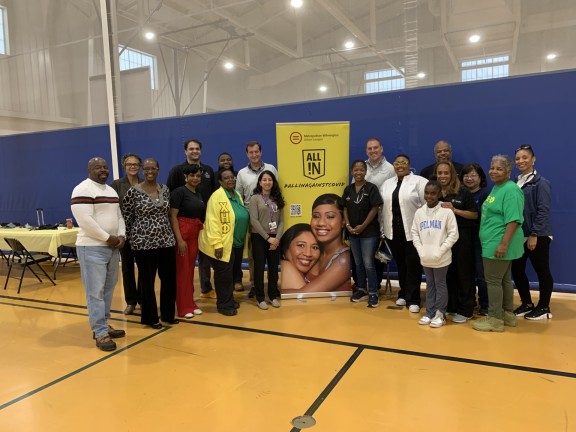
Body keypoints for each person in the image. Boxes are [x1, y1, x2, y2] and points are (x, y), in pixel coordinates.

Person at [71, 157, 126, 352]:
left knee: (108, 289)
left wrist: (121, 235)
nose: (102, 170)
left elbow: (118, 215)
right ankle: (100, 332)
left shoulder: (110, 190)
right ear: (89, 170)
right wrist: (107, 238)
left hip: (111, 248)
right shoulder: (83, 189)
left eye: (105, 167)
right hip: (91, 248)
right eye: (97, 167)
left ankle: (104, 323)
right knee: (95, 292)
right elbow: (85, 221)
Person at [123, 158, 178, 329]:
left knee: (169, 280)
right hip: (143, 243)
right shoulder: (133, 192)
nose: (149, 171)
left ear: (158, 170)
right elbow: (127, 217)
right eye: (146, 168)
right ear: (142, 170)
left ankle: (168, 315)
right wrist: (132, 238)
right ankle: (150, 317)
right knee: (147, 281)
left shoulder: (165, 189)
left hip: (166, 241)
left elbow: (168, 214)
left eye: (153, 168)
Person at [473, 155, 524, 332]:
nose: (494, 171)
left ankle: (494, 318)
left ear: (509, 172)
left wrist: (503, 244)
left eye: (499, 169)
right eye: (492, 167)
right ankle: (507, 314)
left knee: (493, 281)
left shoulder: (510, 190)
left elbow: (514, 220)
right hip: (493, 241)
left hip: (498, 243)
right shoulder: (497, 187)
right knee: (503, 279)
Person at [166, 139, 217, 299]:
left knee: (204, 256)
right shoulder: (176, 171)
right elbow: (169, 194)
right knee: (184, 261)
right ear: (185, 151)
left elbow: (215, 194)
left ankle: (206, 288)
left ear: (201, 151)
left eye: (197, 148)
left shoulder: (208, 170)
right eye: (191, 149)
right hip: (183, 224)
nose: (194, 151)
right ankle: (184, 294)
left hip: (204, 222)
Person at [379, 154, 428, 312]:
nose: (400, 166)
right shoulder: (387, 184)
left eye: (404, 163)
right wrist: (382, 230)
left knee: (413, 264)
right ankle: (403, 294)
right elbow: (382, 209)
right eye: (397, 163)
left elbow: (428, 205)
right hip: (392, 232)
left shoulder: (419, 182)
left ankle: (414, 299)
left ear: (409, 165)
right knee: (401, 264)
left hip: (413, 232)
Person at [199, 168, 250, 316]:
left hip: (234, 243)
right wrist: (217, 244)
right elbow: (212, 222)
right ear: (220, 181)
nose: (230, 180)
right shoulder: (217, 197)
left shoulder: (236, 194)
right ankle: (223, 305)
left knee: (229, 275)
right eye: (226, 178)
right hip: (220, 244)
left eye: (232, 177)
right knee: (223, 276)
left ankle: (228, 299)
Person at [511, 144, 554, 320]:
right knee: (517, 270)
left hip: (538, 236)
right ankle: (527, 303)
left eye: (525, 157)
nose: (521, 161)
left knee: (542, 270)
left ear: (533, 159)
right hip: (519, 236)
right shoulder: (515, 182)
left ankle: (544, 307)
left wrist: (534, 234)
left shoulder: (541, 183)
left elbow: (543, 210)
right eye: (518, 159)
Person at [411, 181, 459, 328]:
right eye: (427, 193)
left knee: (440, 284)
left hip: (441, 258)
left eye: (433, 193)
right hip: (425, 257)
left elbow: (453, 234)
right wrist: (421, 251)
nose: (429, 196)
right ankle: (429, 312)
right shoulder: (419, 212)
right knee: (430, 285)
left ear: (439, 194)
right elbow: (415, 233)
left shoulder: (446, 212)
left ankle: (440, 313)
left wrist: (440, 251)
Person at [281, 194, 352, 294]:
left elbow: (306, 294)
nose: (321, 223)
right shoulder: (317, 251)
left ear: (343, 221)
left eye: (330, 217)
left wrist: (272, 293)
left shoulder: (344, 260)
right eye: (316, 216)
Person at [435, 161, 478, 323]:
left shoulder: (463, 192)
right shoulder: (435, 193)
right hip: (442, 239)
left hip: (462, 238)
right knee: (447, 273)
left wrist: (455, 210)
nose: (443, 176)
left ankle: (466, 309)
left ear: (452, 174)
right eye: (440, 173)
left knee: (464, 273)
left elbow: (474, 215)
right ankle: (451, 306)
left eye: (446, 173)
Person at [235, 141, 278, 294]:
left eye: (256, 151)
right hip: (250, 216)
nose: (254, 155)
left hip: (269, 214)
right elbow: (238, 196)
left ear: (260, 152)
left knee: (272, 250)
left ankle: (273, 285)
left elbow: (276, 190)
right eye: (251, 152)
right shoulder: (241, 173)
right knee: (254, 252)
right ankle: (255, 284)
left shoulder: (270, 168)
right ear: (247, 154)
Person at [343, 160, 383, 307]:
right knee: (358, 263)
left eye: (361, 170)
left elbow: (374, 209)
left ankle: (373, 293)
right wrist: (348, 225)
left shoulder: (371, 188)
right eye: (355, 170)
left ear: (366, 172)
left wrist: (362, 226)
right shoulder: (348, 189)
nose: (358, 172)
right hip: (353, 233)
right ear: (352, 172)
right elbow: (345, 208)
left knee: (368, 264)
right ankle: (361, 289)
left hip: (369, 233)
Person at [169, 165, 206, 319]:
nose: (195, 178)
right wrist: (179, 239)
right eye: (192, 176)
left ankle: (190, 303)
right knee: (182, 273)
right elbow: (172, 217)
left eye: (198, 176)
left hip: (194, 235)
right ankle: (183, 307)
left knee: (190, 271)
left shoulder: (198, 194)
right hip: (183, 236)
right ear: (186, 177)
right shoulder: (179, 193)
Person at [110, 153, 142, 315]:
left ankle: (144, 300)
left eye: (136, 164)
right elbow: (112, 209)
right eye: (129, 164)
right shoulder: (116, 185)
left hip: (144, 233)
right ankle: (131, 302)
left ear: (140, 166)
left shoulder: (145, 183)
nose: (133, 166)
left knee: (144, 268)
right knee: (127, 268)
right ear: (124, 166)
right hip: (125, 232)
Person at [249, 170, 285, 309]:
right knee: (259, 268)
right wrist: (267, 238)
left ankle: (272, 295)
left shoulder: (277, 198)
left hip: (275, 238)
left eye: (270, 180)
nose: (267, 182)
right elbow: (254, 220)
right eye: (264, 180)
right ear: (260, 182)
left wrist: (277, 239)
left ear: (273, 182)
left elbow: (282, 221)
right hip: (259, 237)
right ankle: (260, 298)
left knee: (273, 269)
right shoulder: (255, 198)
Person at [363, 137, 395, 289]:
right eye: (370, 148)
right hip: (363, 218)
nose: (373, 151)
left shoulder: (390, 169)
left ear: (381, 149)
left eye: (375, 148)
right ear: (366, 151)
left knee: (377, 255)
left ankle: (376, 286)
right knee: (363, 256)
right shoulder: (362, 168)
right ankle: (363, 285)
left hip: (381, 218)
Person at [459, 163, 490, 315]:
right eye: (466, 175)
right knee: (465, 273)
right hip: (463, 239)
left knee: (481, 274)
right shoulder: (460, 193)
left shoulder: (486, 194)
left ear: (480, 177)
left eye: (473, 175)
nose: (469, 179)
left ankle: (485, 305)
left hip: (480, 239)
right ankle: (469, 302)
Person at [279, 224, 322, 289]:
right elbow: (306, 298)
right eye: (301, 245)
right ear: (285, 249)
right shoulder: (285, 267)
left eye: (315, 247)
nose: (308, 254)